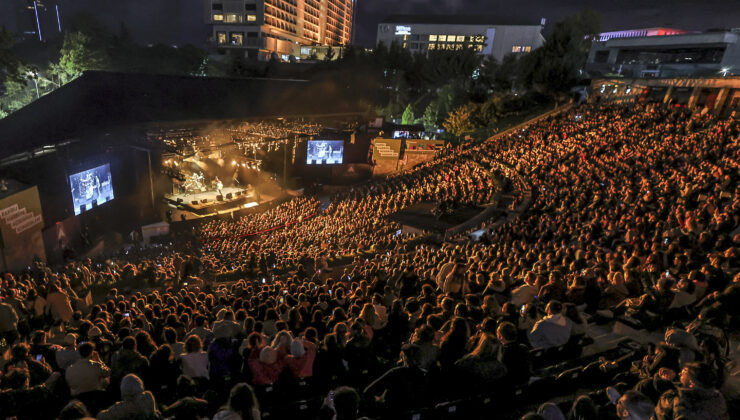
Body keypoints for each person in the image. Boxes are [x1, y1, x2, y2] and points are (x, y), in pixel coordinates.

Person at [654, 362, 729, 420]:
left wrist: (659, 378)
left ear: (692, 383)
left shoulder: (679, 403)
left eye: (684, 372)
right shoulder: (717, 397)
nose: (680, 374)